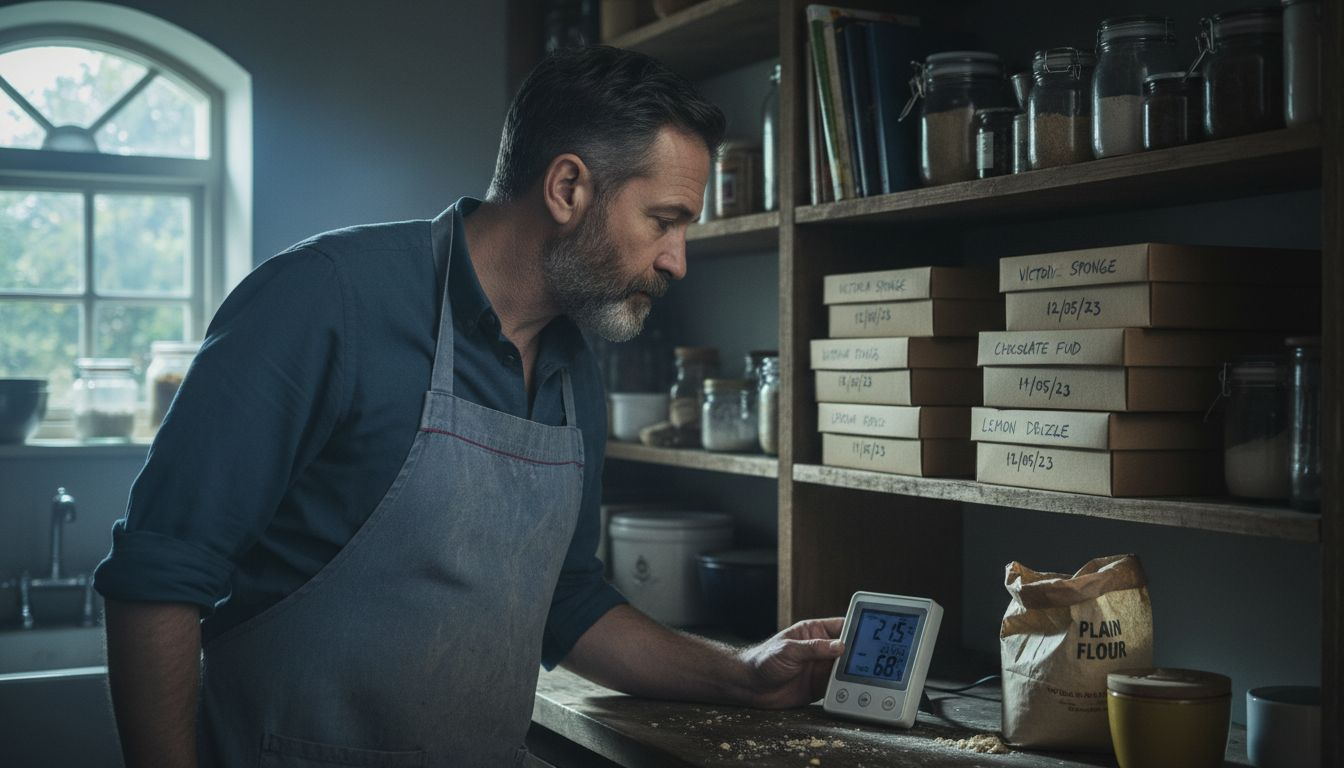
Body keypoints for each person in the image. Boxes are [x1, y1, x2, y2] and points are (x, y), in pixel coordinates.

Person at [94, 45, 844, 768]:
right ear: (567, 189)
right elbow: (156, 582)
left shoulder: (573, 369)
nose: (677, 258)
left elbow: (567, 602)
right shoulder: (324, 300)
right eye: (665, 220)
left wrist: (745, 673)